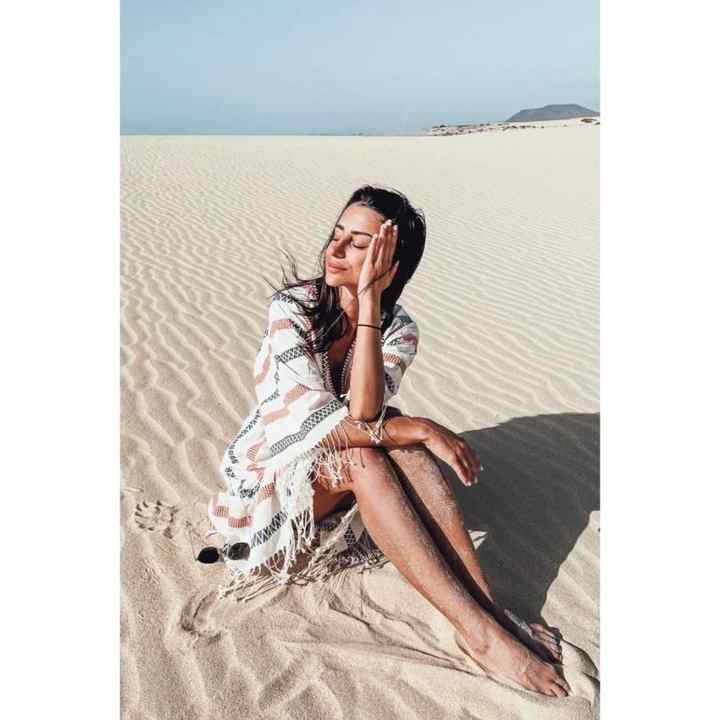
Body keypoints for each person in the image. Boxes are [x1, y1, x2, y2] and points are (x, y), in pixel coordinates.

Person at [207, 185, 570, 698]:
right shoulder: (293, 308)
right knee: (374, 451)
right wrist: (416, 425)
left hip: (337, 469)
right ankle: (480, 634)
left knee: (402, 448)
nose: (334, 250)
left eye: (358, 244)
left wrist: (370, 307)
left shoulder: (399, 329)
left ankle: (489, 608)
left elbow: (363, 412)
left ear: (390, 265)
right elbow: (314, 427)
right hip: (273, 483)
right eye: (336, 234)